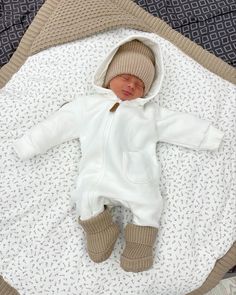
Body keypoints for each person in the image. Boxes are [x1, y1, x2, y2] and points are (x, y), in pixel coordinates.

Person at [13, 36, 224, 272]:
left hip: (137, 178)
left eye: (140, 84)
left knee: (149, 205)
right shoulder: (86, 106)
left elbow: (180, 125)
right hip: (96, 175)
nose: (131, 85)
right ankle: (100, 229)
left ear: (147, 91)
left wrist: (208, 136)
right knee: (84, 197)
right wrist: (29, 144)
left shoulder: (149, 114)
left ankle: (140, 248)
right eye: (125, 77)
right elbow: (55, 126)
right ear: (108, 77)